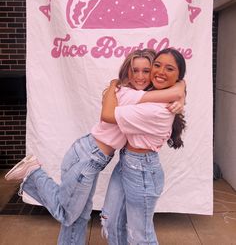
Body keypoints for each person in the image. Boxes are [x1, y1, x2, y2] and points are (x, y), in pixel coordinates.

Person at [5, 49, 185, 245]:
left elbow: (172, 87)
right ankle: (33, 173)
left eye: (146, 71)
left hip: (93, 156)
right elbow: (110, 113)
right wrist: (178, 91)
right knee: (68, 215)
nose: (140, 76)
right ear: (128, 72)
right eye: (135, 71)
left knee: (79, 217)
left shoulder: (138, 94)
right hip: (87, 156)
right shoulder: (124, 93)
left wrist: (181, 90)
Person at [100, 48, 186, 245]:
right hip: (126, 163)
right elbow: (180, 84)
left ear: (178, 75)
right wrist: (181, 90)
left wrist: (114, 84)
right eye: (157, 65)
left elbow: (107, 116)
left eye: (169, 68)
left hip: (143, 171)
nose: (160, 71)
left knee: (141, 235)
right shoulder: (150, 93)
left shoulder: (159, 109)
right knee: (110, 220)